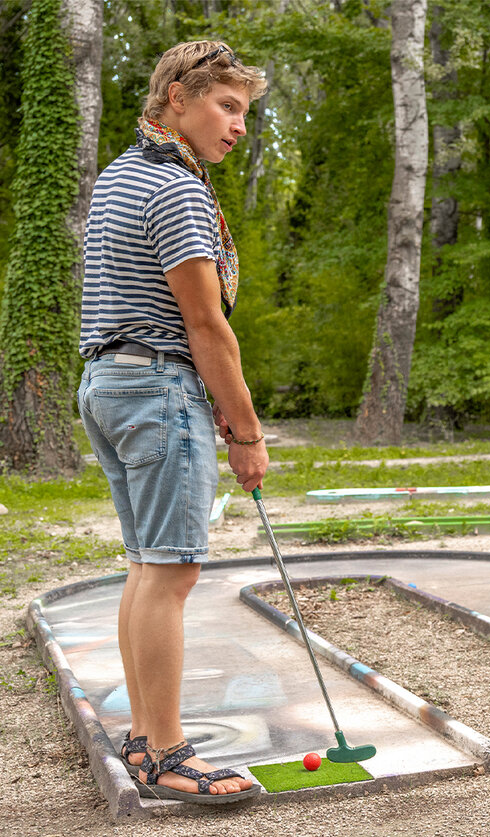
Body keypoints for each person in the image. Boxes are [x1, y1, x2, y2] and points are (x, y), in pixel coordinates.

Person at [77, 41, 269, 804]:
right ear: (178, 97)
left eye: (245, 114)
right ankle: (165, 752)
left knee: (146, 563)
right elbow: (205, 325)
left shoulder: (122, 174)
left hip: (108, 382)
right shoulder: (177, 189)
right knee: (173, 570)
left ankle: (145, 735)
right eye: (228, 107)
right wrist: (247, 432)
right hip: (156, 386)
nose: (239, 127)